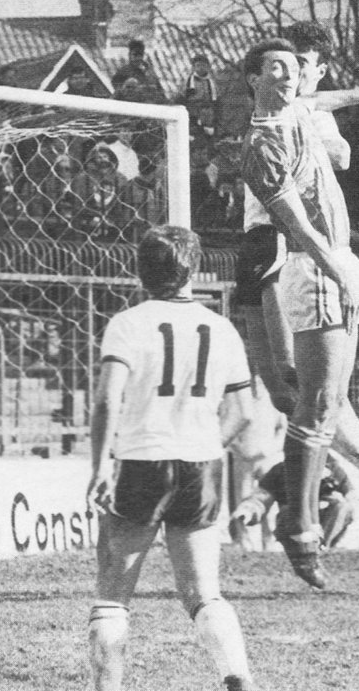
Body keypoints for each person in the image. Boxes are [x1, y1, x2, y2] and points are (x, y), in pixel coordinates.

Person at [239, 35, 359, 588]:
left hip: (340, 260)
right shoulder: (262, 143)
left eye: (294, 67)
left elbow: (326, 99)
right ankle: (300, 528)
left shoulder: (301, 110)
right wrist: (336, 268)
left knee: (330, 399)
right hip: (309, 262)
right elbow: (295, 226)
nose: (289, 75)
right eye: (276, 67)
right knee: (310, 401)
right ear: (253, 79)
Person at [86, 225, 254, 691]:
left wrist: (100, 464)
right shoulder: (221, 328)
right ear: (194, 269)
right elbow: (242, 411)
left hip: (143, 460)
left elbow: (106, 401)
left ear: (140, 270)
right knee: (204, 593)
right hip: (200, 464)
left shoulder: (128, 323)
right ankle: (237, 676)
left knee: (113, 594)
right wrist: (201, 443)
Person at [231, 448, 359, 551]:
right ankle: (302, 549)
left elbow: (350, 495)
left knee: (342, 506)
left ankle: (321, 546)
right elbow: (262, 497)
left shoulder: (332, 469)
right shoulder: (280, 470)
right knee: (290, 510)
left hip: (324, 523)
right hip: (294, 523)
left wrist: (335, 497)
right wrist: (249, 510)